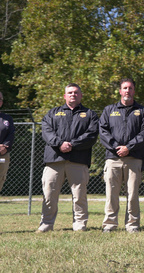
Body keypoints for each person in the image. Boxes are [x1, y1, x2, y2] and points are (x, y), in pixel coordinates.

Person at [38, 83, 99, 232]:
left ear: (81, 95)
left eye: (76, 92)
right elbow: (47, 132)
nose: (73, 94)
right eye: (70, 92)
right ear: (65, 96)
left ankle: (79, 225)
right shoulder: (53, 113)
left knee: (79, 195)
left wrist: (71, 144)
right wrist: (60, 144)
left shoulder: (89, 114)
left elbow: (91, 135)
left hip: (78, 160)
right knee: (49, 194)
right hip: (54, 160)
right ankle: (46, 224)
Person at [99, 79, 144, 233]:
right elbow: (103, 131)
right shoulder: (109, 110)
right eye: (124, 88)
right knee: (111, 194)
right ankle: (109, 224)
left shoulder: (142, 111)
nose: (127, 91)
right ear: (120, 91)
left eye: (130, 88)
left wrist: (129, 147)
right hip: (113, 159)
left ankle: (132, 225)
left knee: (133, 194)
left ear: (134, 91)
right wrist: (116, 147)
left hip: (134, 158)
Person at [0, 91, 15, 193]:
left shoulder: (7, 118)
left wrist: (5, 146)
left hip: (2, 154)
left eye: (0, 99)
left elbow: (11, 134)